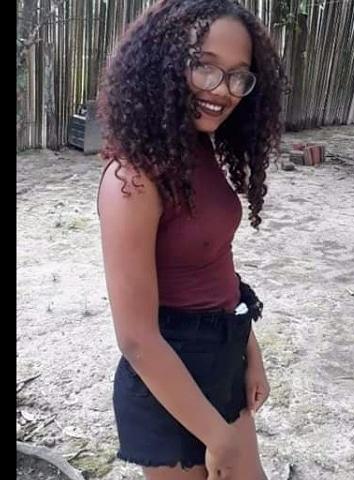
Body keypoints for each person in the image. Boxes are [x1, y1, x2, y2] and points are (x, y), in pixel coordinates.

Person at [96, 0, 287, 478]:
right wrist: (217, 436)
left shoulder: (197, 149)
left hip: (222, 361)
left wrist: (250, 352)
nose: (222, 90)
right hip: (168, 387)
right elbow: (137, 338)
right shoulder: (133, 179)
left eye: (239, 76)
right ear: (163, 62)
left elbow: (215, 264)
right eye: (205, 66)